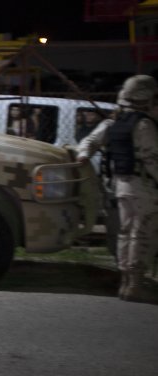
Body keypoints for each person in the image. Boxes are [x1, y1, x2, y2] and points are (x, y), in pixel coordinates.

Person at [77, 74, 158, 302]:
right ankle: (135, 285)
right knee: (142, 236)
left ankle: (125, 284)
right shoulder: (143, 125)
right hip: (144, 188)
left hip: (120, 186)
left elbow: (89, 141)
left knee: (126, 234)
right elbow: (152, 160)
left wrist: (83, 156)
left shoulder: (114, 122)